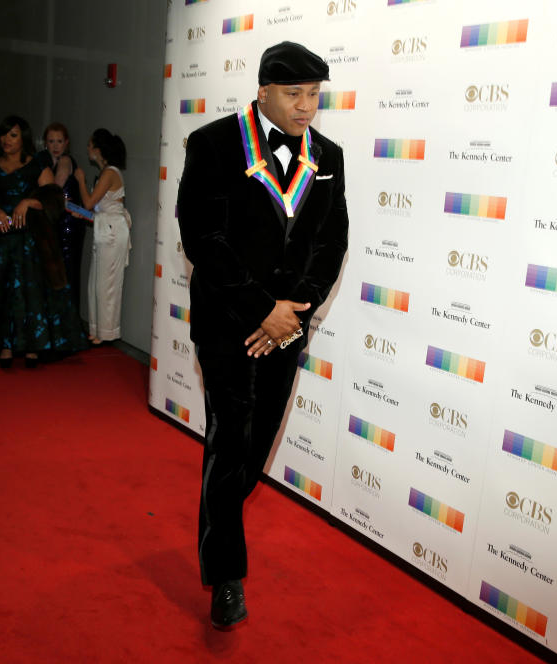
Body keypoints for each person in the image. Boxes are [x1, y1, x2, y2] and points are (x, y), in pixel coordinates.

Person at [176, 41, 349, 629]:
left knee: (253, 450)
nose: (307, 107)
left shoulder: (330, 155)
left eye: (314, 96)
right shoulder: (214, 144)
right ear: (263, 91)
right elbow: (203, 239)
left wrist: (294, 314)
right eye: (295, 94)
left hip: (287, 329)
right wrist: (260, 309)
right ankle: (226, 576)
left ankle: (217, 518)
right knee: (229, 443)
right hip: (229, 325)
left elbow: (332, 241)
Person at [0, 115, 86, 368]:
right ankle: (5, 346)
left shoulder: (36, 165)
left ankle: (33, 348)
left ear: (23, 138)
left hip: (30, 240)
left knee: (30, 292)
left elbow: (55, 199)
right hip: (0, 239)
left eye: (12, 135)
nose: (6, 140)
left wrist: (28, 202)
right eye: (3, 135)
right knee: (1, 291)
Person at [73, 129, 129, 344]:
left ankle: (107, 333)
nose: (87, 149)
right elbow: (97, 209)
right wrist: (81, 213)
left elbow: (89, 203)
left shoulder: (109, 173)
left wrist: (80, 180)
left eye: (90, 145)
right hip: (106, 229)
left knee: (107, 284)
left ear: (98, 149)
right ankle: (98, 331)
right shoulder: (108, 172)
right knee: (96, 283)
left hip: (112, 232)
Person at [36, 122, 86, 318]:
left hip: (67, 227)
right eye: (51, 141)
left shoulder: (65, 161)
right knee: (58, 274)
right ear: (45, 143)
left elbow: (55, 189)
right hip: (56, 224)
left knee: (65, 274)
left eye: (59, 141)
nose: (55, 145)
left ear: (66, 143)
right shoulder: (47, 162)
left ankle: (67, 323)